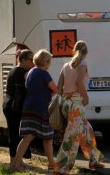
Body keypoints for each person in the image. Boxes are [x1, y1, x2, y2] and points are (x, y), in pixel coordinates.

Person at [55, 41, 105, 173]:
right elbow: (78, 82)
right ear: (86, 52)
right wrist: (85, 97)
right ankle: (61, 167)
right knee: (71, 136)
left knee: (87, 130)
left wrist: (60, 102)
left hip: (66, 102)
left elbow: (59, 86)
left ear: (74, 50)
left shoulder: (66, 65)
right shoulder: (83, 63)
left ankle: (94, 159)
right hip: (77, 103)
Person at [12, 49, 58, 172]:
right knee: (48, 137)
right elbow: (56, 88)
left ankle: (16, 162)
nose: (49, 64)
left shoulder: (30, 72)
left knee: (27, 136)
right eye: (49, 62)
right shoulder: (44, 73)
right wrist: (52, 93)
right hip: (41, 108)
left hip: (28, 107)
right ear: (46, 61)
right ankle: (52, 164)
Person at [3, 49, 34, 168]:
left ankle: (18, 160)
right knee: (15, 135)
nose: (33, 63)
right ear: (24, 60)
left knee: (17, 134)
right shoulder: (22, 72)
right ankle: (13, 162)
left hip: (10, 105)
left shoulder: (15, 70)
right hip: (14, 107)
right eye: (31, 60)